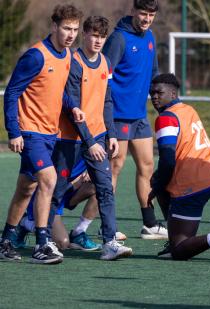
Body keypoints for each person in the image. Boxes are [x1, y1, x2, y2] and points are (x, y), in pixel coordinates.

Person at [0, 4, 85, 264]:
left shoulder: (68, 55)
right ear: (54, 27)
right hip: (30, 131)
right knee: (48, 179)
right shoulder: (36, 56)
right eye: (66, 28)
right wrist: (13, 132)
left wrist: (73, 106)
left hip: (50, 132)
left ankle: (5, 242)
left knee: (27, 188)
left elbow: (57, 88)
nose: (71, 34)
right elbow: (12, 92)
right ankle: (41, 244)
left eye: (75, 29)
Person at [54, 15, 132, 260]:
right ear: (84, 34)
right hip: (71, 139)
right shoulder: (74, 62)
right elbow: (73, 107)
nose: (98, 41)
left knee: (105, 188)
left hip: (97, 136)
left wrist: (111, 134)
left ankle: (109, 242)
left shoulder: (106, 62)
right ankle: (33, 231)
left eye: (102, 36)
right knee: (54, 191)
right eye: (94, 35)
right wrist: (90, 142)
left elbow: (107, 101)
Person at [147, 73, 210, 263]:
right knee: (160, 183)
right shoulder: (187, 109)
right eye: (152, 93)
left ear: (173, 94)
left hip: (193, 184)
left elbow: (167, 159)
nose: (154, 97)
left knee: (179, 250)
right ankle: (175, 233)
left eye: (159, 92)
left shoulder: (165, 118)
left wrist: (156, 187)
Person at [103, 0, 166, 239]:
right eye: (143, 14)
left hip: (139, 116)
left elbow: (154, 74)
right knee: (115, 168)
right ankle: (107, 226)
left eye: (151, 15)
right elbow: (104, 74)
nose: (147, 19)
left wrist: (161, 102)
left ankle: (149, 224)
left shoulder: (150, 37)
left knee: (147, 166)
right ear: (133, 12)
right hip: (118, 116)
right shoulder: (118, 39)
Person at [15, 160, 100, 251]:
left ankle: (78, 233)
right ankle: (25, 222)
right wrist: (76, 182)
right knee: (62, 243)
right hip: (50, 198)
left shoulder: (90, 147)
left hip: (68, 191)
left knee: (101, 187)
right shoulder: (58, 148)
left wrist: (91, 172)